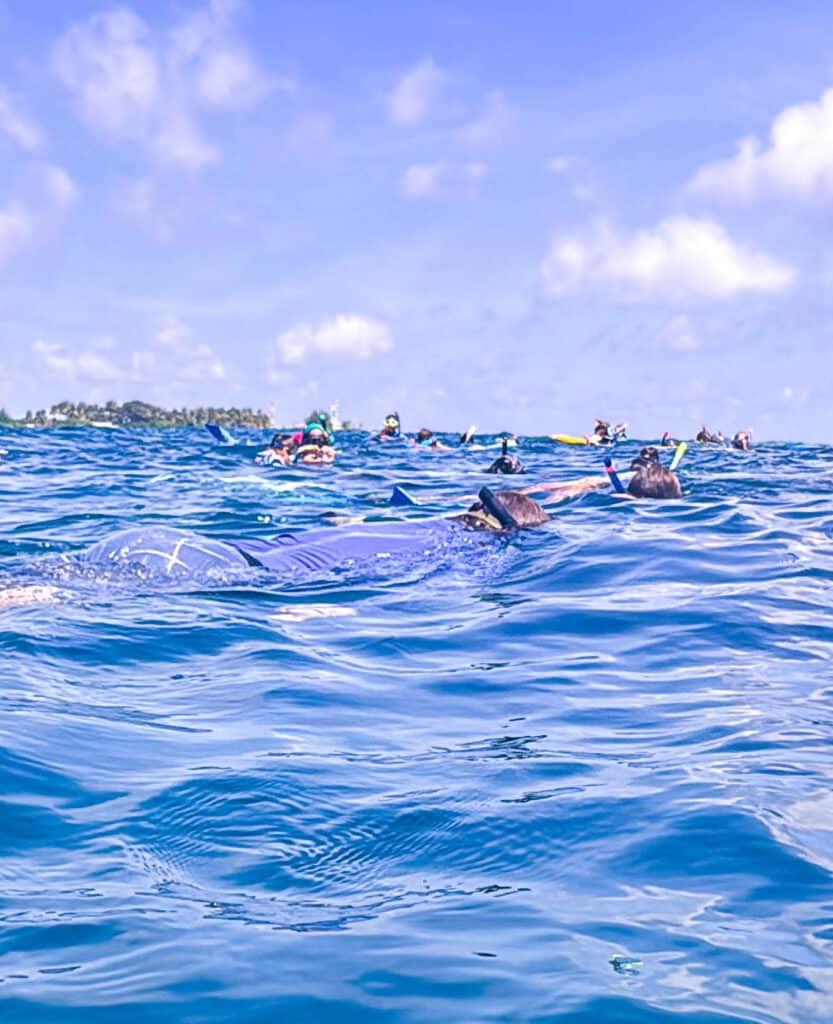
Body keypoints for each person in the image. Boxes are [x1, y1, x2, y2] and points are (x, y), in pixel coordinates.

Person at [74, 488, 551, 581]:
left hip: (178, 540)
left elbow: (347, 528)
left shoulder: (426, 523)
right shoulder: (463, 550)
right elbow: (403, 593)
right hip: (213, 569)